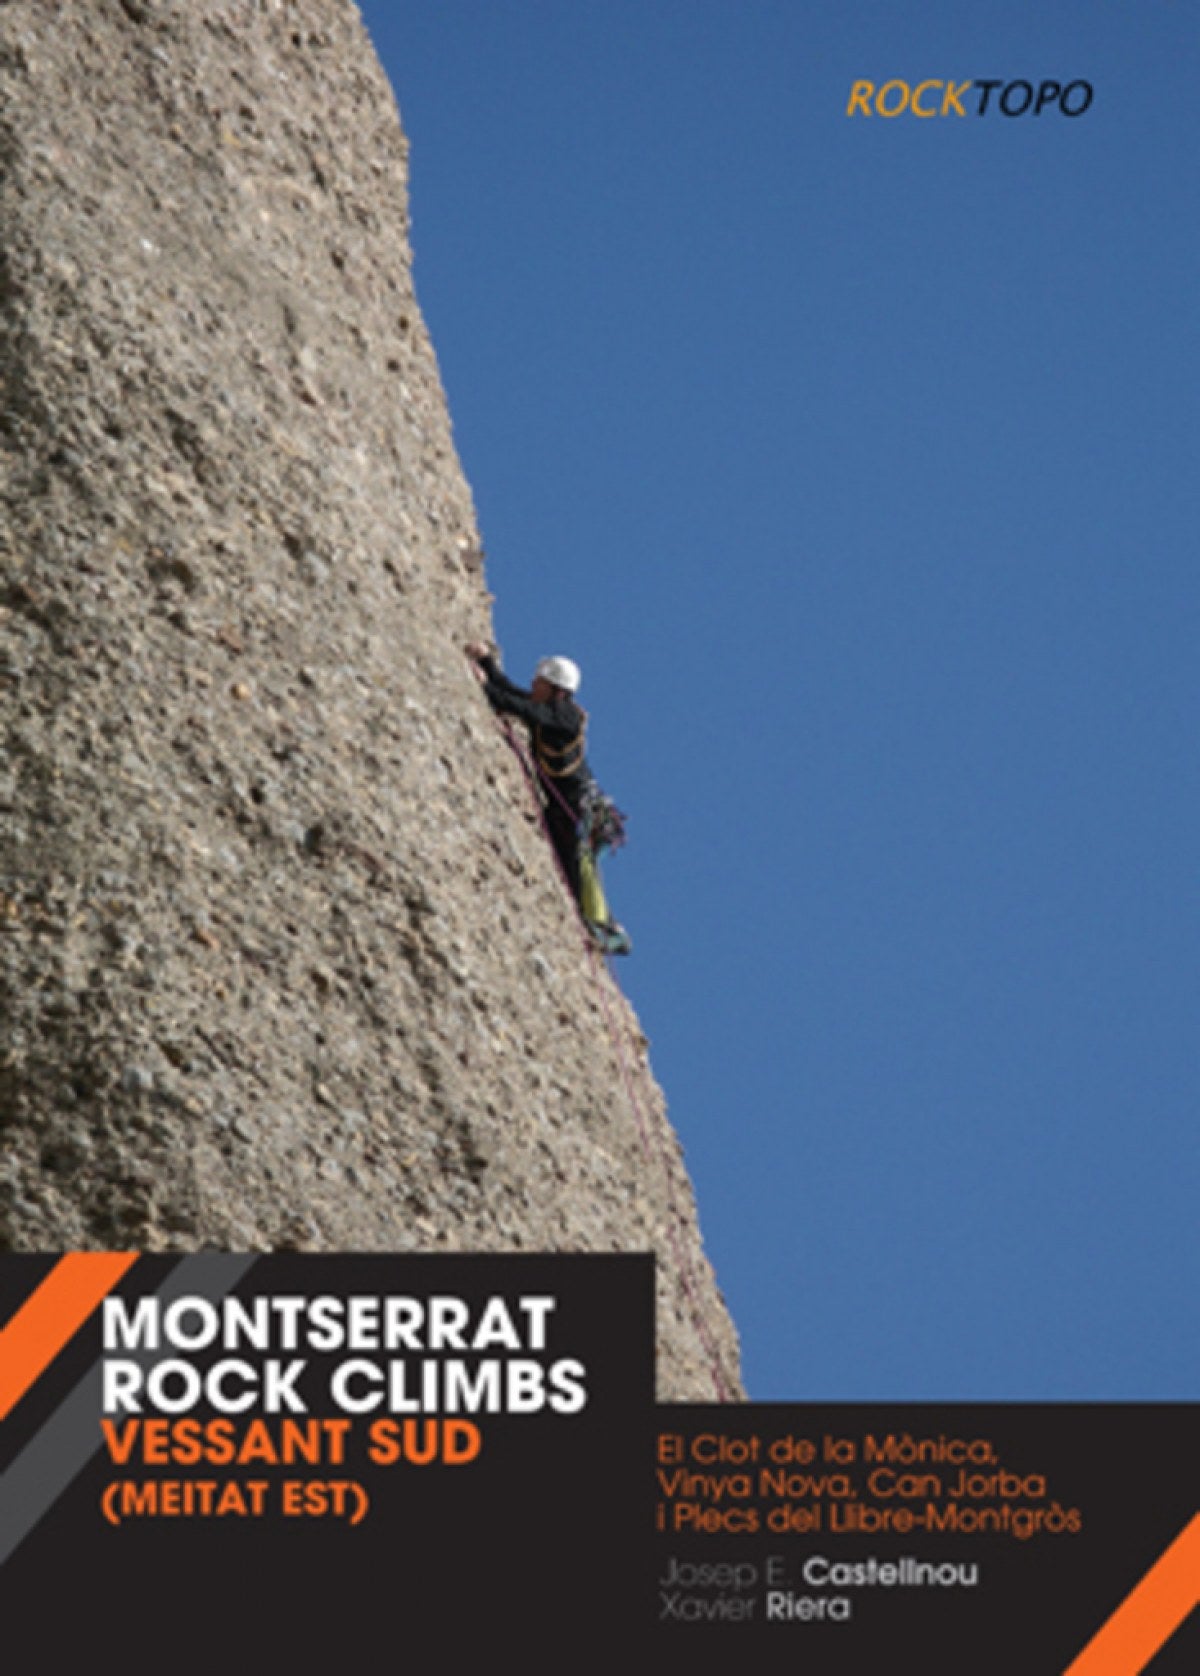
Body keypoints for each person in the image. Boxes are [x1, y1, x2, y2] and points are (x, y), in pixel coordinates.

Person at [465, 642, 630, 953]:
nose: (533, 683)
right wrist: (486, 663)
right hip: (564, 804)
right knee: (569, 865)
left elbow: (523, 708)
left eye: (539, 681)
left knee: (578, 865)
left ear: (556, 689)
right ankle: (597, 924)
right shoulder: (551, 708)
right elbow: (515, 695)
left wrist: (486, 687)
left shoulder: (565, 717)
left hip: (578, 806)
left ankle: (604, 927)